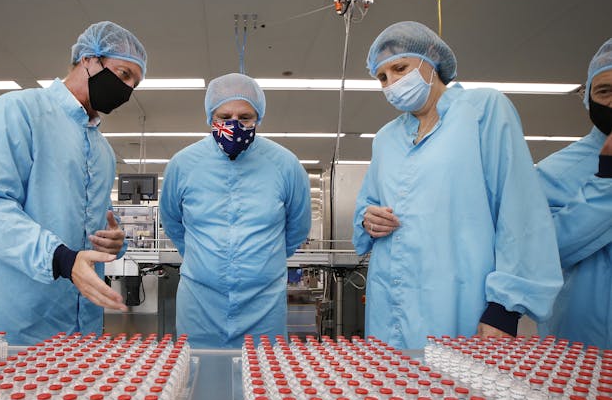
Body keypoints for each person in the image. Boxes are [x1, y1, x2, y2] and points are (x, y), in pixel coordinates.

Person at [352, 21, 563, 349]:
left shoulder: (484, 111)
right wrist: (369, 220)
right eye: (382, 77)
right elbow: (367, 205)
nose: (392, 82)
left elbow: (520, 211)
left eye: (399, 68)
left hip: (460, 304)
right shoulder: (385, 139)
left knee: (456, 396)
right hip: (389, 303)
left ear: (431, 58)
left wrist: (503, 309)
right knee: (391, 394)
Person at [0, 21, 147, 345]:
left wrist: (114, 241)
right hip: (11, 322)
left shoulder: (103, 151)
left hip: (80, 326)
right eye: (123, 74)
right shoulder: (18, 112)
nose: (126, 89)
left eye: (134, 84)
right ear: (88, 59)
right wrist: (60, 258)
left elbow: (95, 219)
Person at [160, 73, 312, 348]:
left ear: (259, 118)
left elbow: (297, 228)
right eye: (224, 116)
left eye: (245, 118)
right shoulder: (183, 165)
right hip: (199, 305)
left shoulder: (285, 165)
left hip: (263, 307)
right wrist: (205, 261)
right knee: (197, 382)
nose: (234, 125)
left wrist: (260, 263)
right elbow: (172, 221)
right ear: (210, 117)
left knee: (264, 382)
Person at [536, 38, 612, 348]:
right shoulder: (552, 173)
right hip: (582, 345)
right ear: (587, 98)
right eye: (605, 91)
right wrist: (606, 179)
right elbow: (539, 254)